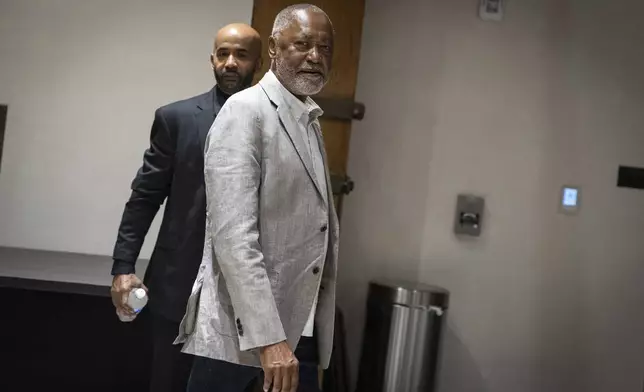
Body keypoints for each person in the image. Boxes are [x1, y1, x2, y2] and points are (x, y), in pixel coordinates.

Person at [175, 4, 339, 392]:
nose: (315, 56)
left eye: (325, 47)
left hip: (298, 331)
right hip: (244, 343)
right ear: (274, 48)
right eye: (302, 44)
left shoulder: (309, 120)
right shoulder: (244, 112)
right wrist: (269, 340)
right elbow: (233, 239)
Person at [109, 23, 263, 392]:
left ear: (257, 63)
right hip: (177, 285)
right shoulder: (176, 118)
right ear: (211, 58)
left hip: (248, 296)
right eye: (223, 53)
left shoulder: (273, 124)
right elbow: (145, 196)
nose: (230, 62)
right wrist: (123, 267)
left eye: (241, 55)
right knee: (169, 382)